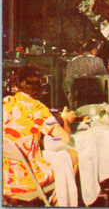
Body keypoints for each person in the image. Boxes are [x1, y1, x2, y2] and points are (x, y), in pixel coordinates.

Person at [3, 64, 78, 200]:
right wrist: (65, 120)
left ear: (17, 83)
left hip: (5, 177)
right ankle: (58, 201)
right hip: (28, 179)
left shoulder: (5, 102)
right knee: (73, 156)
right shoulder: (38, 109)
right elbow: (65, 138)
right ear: (39, 87)